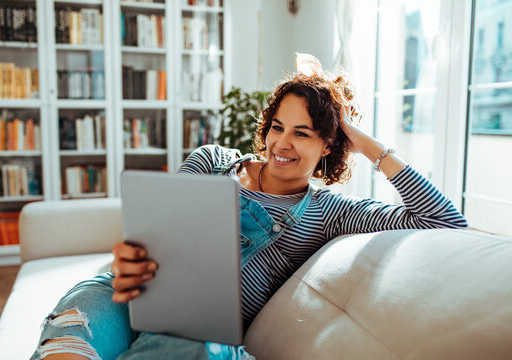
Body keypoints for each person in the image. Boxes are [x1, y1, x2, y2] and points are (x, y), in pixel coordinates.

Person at [31, 54, 467, 360]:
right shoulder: (212, 162)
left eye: (302, 133)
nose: (281, 143)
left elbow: (445, 222)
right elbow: (160, 241)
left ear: (330, 142)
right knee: (70, 341)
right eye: (278, 127)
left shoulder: (330, 211)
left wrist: (369, 146)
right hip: (128, 297)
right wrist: (131, 256)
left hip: (201, 336)